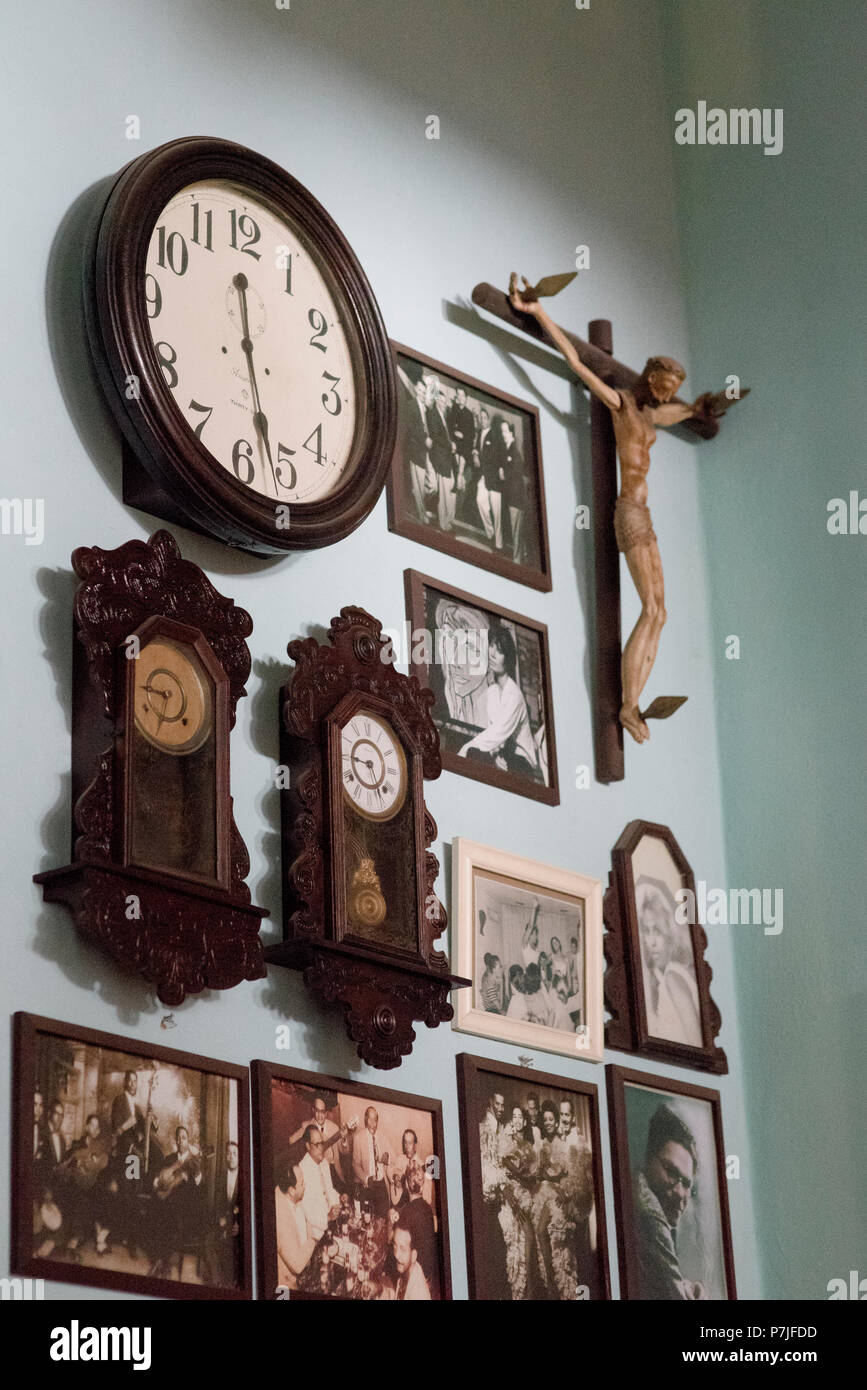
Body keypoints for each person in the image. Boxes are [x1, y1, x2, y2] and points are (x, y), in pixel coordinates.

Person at [509, 272, 727, 744]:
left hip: (645, 518)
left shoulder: (655, 415)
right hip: (627, 512)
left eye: (672, 389)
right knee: (650, 608)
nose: (667, 395)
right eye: (663, 386)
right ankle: (629, 705)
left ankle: (636, 702)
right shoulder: (623, 405)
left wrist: (708, 405)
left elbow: (690, 411)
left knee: (660, 612)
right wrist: (537, 311)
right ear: (649, 378)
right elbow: (577, 363)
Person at [633, 1105, 707, 1300]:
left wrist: (682, 1285)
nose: (680, 1193)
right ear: (649, 1159)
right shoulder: (649, 1212)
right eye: (671, 1172)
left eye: (687, 1184)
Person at [458, 626, 539, 779]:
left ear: (507, 659)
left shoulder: (515, 696)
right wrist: (495, 756)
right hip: (504, 753)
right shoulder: (492, 692)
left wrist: (466, 747)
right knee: (475, 755)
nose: (492, 654)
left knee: (471, 752)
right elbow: (493, 732)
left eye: (500, 651)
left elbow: (499, 732)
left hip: (523, 764)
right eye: (491, 646)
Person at [639, 887, 702, 1045]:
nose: (651, 942)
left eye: (657, 931)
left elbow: (695, 1042)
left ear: (668, 933)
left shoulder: (672, 977)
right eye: (647, 931)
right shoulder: (662, 977)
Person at [275, 1160, 316, 1291]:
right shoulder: (281, 1219)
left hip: (304, 1261)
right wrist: (313, 1239)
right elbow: (297, 1265)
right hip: (289, 1284)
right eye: (302, 1183)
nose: (305, 1185)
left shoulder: (284, 1191)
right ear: (292, 1191)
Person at [399, 1161, 439, 1294]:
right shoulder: (427, 1208)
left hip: (416, 1276)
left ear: (406, 1185)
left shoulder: (407, 1212)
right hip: (429, 1272)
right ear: (422, 1187)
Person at [298, 1125, 340, 1241]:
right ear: (307, 1146)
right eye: (317, 1144)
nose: (321, 1148)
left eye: (322, 1143)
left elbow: (329, 1189)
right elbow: (307, 1210)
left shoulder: (324, 1163)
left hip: (332, 1224)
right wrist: (327, 1217)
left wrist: (339, 1200)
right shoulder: (302, 1170)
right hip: (316, 1233)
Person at [426, 383, 456, 533]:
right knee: (443, 492)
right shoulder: (433, 414)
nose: (444, 404)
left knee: (447, 490)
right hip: (439, 457)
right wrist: (450, 445)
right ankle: (443, 524)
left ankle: (445, 520)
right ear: (437, 401)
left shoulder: (443, 416)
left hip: (445, 457)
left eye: (445, 402)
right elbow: (436, 435)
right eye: (441, 401)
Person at [473, 407, 504, 548]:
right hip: (484, 476)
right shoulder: (479, 434)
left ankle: (499, 545)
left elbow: (496, 455)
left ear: (489, 420)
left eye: (484, 417)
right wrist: (475, 454)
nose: (482, 420)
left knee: (496, 512)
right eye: (480, 418)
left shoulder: (495, 434)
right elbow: (475, 449)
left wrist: (479, 456)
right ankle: (490, 533)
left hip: (495, 479)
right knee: (480, 501)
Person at [405, 376, 434, 523]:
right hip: (416, 452)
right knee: (419, 487)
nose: (422, 394)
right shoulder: (411, 406)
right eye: (421, 391)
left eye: (424, 392)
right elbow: (412, 429)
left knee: (433, 485)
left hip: (426, 453)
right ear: (416, 390)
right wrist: (425, 439)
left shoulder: (425, 409)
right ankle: (421, 516)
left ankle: (418, 506)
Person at [352, 1107, 390, 1217]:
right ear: (365, 1120)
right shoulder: (358, 1138)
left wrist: (387, 1157)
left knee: (384, 1216)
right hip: (367, 1184)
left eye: (375, 1120)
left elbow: (392, 1156)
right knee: (368, 1217)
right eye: (370, 1119)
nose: (373, 1123)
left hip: (381, 1182)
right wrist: (366, 1178)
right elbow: (355, 1164)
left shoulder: (382, 1136)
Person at [499, 419, 527, 563]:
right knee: (515, 529)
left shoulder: (514, 452)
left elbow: (515, 472)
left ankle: (517, 560)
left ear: (512, 434)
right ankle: (518, 558)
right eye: (502, 431)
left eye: (505, 431)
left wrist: (504, 473)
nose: (503, 434)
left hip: (516, 498)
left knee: (517, 531)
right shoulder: (507, 450)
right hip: (511, 497)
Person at [447, 386, 475, 520]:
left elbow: (470, 438)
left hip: (464, 454)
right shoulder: (453, 410)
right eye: (458, 395)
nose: (460, 397)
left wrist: (462, 437)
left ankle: (457, 514)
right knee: (453, 484)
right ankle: (450, 514)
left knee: (462, 484)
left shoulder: (469, 415)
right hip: (453, 452)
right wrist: (455, 436)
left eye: (462, 395)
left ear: (466, 398)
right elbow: (449, 428)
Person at [391, 1221, 431, 1300]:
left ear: (413, 1256)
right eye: (395, 1246)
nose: (396, 1255)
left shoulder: (418, 1295)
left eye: (403, 1249)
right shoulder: (408, 1269)